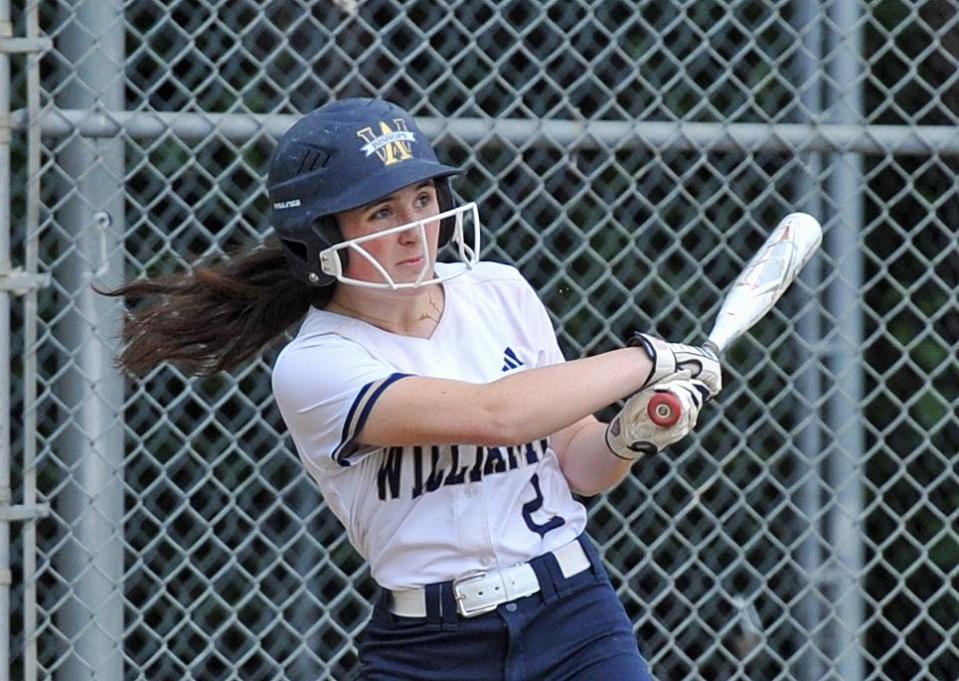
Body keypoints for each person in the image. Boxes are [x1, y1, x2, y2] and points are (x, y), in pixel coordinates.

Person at [104, 98, 721, 680]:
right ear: (321, 237)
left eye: (422, 199)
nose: (414, 229)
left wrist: (626, 436)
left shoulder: (497, 291)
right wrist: (653, 359)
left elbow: (578, 467)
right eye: (381, 212)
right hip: (431, 647)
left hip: (575, 616)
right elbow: (496, 416)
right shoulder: (317, 363)